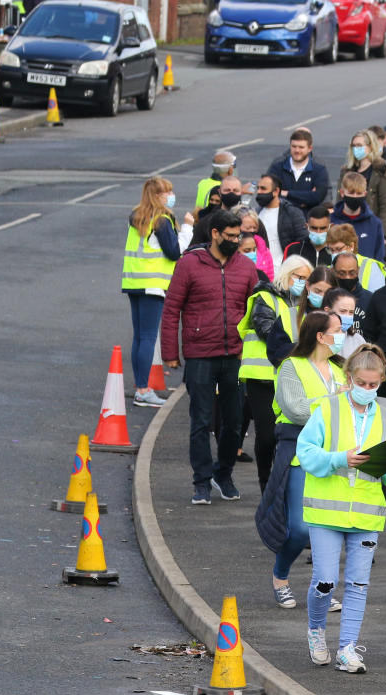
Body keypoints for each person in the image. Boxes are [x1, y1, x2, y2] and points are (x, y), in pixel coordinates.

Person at [297, 344, 386, 674]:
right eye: (362, 383)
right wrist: (339, 459)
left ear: (382, 381)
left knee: (359, 585)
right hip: (325, 512)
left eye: (374, 385)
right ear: (349, 378)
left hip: (365, 513)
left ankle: (347, 648)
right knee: (326, 581)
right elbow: (306, 453)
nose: (368, 390)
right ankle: (317, 630)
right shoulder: (327, 409)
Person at [160, 209, 260, 505]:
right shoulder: (189, 264)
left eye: (238, 235)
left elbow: (257, 308)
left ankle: (223, 474)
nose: (235, 240)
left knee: (233, 423)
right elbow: (171, 309)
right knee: (201, 422)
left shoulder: (245, 267)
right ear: (214, 234)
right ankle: (201, 481)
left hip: (236, 356)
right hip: (200, 354)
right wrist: (170, 354)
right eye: (230, 236)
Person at [256, 310, 347, 610]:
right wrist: (336, 402)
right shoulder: (290, 367)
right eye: (337, 330)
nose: (342, 334)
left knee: (327, 527)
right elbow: (296, 410)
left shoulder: (339, 370)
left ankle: (322, 587)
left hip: (332, 454)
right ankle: (280, 576)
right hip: (297, 451)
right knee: (300, 527)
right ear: (320, 336)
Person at [236, 255, 305, 493]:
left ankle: (282, 485)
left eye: (307, 278)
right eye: (299, 277)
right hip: (262, 376)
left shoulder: (306, 305)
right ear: (286, 275)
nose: (303, 283)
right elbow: (266, 329)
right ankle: (266, 484)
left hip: (291, 377)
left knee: (287, 435)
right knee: (266, 436)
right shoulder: (265, 298)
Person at [122, 176, 182, 409]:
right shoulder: (162, 220)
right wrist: (186, 229)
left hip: (133, 281)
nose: (170, 195)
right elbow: (174, 252)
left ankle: (140, 386)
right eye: (167, 192)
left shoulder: (137, 216)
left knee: (139, 337)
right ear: (157, 196)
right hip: (153, 284)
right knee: (147, 337)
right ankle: (143, 390)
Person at [341, 130, 386, 239]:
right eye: (354, 145)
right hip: (348, 228)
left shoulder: (381, 172)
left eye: (360, 145)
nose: (356, 149)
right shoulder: (347, 171)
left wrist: (382, 234)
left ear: (370, 147)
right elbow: (340, 200)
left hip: (371, 229)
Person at [264, 128, 330, 215]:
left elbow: (317, 197)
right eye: (294, 146)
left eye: (301, 147)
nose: (297, 151)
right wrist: (306, 198)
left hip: (307, 221)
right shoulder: (277, 168)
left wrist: (286, 193)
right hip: (282, 219)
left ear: (310, 148)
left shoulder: (319, 170)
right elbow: (268, 194)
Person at [330, 171, 386, 262]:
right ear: (342, 193)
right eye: (351, 193)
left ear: (365, 194)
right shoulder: (331, 221)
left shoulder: (374, 224)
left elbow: (380, 258)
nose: (355, 197)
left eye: (359, 193)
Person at [255, 174, 307, 270]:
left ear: (276, 191)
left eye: (263, 189)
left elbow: (302, 242)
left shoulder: (292, 213)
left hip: (284, 271)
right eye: (258, 188)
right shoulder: (255, 213)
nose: (259, 192)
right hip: (261, 271)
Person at [325, 221, 386, 293]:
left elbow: (377, 297)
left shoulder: (371, 266)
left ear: (351, 246)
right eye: (331, 250)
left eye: (339, 249)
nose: (334, 253)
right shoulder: (328, 270)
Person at [321, 283, 368, 358]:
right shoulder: (315, 338)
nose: (347, 316)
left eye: (351, 312)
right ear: (328, 311)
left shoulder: (358, 341)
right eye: (343, 311)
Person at [283, 204, 334, 269]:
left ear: (330, 227)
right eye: (314, 228)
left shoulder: (336, 250)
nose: (318, 232)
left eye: (323, 228)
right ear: (307, 227)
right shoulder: (293, 249)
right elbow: (285, 276)